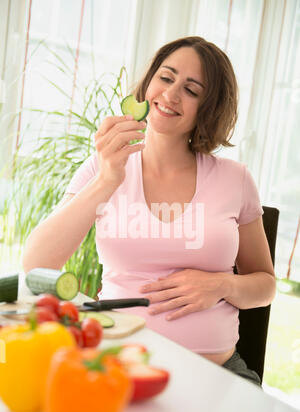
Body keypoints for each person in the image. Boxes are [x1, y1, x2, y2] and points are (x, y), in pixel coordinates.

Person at [23, 36, 276, 385]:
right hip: (116, 361)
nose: (171, 95)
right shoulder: (103, 167)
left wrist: (221, 284)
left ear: (210, 106)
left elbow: (265, 285)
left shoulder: (236, 179)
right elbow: (35, 264)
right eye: (166, 77)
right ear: (149, 83)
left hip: (216, 374)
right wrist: (108, 179)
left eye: (192, 89)